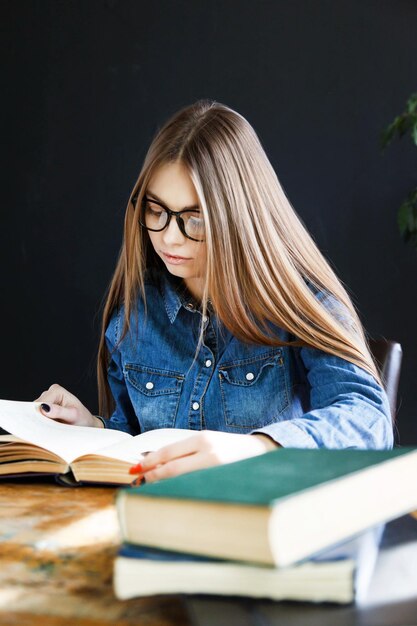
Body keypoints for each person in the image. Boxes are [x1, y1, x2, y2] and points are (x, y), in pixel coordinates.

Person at [36, 100, 393, 483]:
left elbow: (368, 422)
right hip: (157, 522)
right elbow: (136, 437)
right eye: (156, 211)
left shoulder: (302, 305)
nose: (169, 237)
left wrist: (254, 449)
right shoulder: (136, 316)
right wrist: (92, 426)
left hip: (264, 526)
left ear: (239, 216)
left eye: (194, 218)